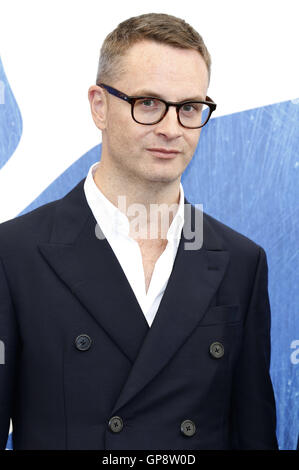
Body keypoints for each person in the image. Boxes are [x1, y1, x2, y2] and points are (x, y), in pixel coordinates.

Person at [0, 12, 278, 450]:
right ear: (99, 106)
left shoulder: (242, 262)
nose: (171, 129)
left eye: (188, 108)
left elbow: (253, 435)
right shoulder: (13, 254)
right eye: (147, 103)